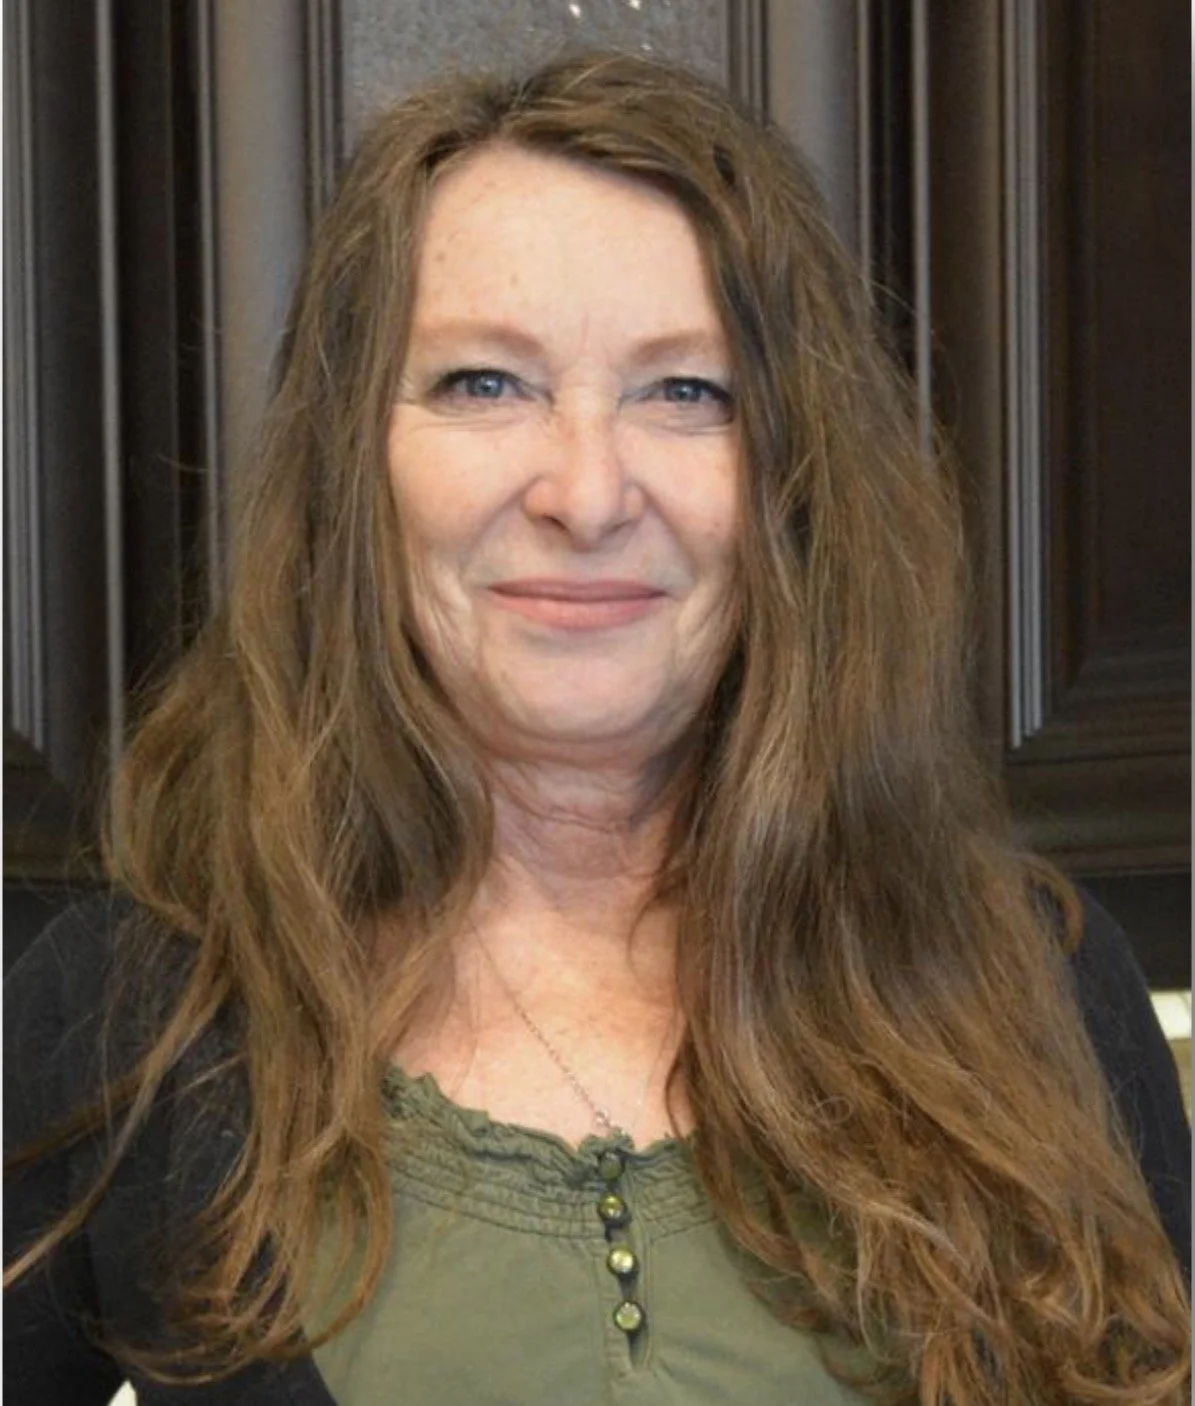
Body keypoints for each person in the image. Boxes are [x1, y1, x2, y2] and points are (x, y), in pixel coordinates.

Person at [4, 50, 1190, 1406]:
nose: (585, 491)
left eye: (686, 392)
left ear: (794, 480)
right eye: (483, 384)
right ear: (351, 466)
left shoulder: (1042, 988)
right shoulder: (129, 1016)